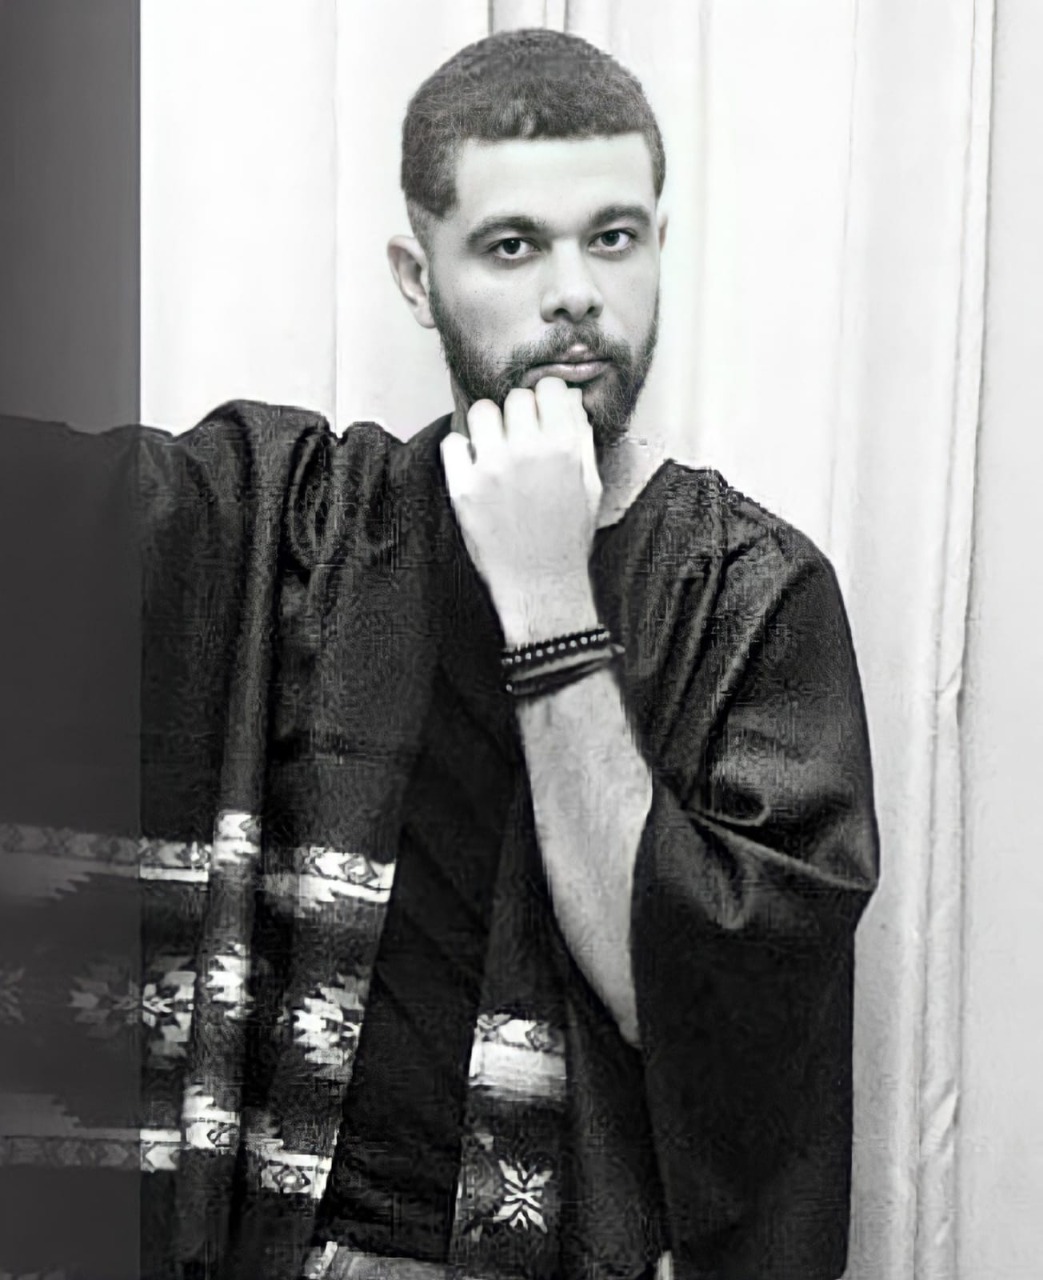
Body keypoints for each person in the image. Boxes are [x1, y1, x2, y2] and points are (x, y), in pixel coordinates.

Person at [0, 27, 878, 1280]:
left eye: (612, 237)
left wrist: (546, 596)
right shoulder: (305, 525)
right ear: (417, 278)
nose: (574, 291)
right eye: (512, 245)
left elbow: (685, 999)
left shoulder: (746, 591)